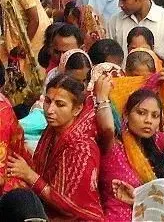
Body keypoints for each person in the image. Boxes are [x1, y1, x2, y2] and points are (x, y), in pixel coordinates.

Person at [93, 69, 164, 221]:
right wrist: (102, 98)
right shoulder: (113, 146)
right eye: (141, 113)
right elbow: (107, 127)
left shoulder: (155, 143)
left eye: (155, 115)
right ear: (126, 115)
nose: (149, 120)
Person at [7, 74, 104, 220]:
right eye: (48, 101)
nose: (50, 110)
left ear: (77, 109)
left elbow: (69, 205)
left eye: (60, 104)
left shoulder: (81, 149)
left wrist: (29, 175)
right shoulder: (52, 130)